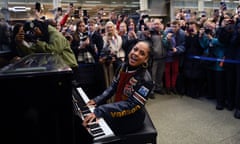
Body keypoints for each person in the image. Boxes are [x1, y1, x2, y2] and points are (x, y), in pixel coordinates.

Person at [82, 40, 154, 134]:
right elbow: (113, 86)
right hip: (118, 108)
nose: (136, 54)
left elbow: (132, 104)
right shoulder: (123, 66)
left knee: (98, 128)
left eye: (142, 53)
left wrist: (102, 110)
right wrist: (97, 100)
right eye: (135, 49)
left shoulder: (146, 80)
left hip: (132, 118)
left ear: (146, 59)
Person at [13, 20, 78, 80]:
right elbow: (31, 54)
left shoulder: (54, 34)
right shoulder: (42, 37)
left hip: (68, 67)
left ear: (37, 28)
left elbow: (53, 51)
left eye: (33, 31)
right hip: (57, 69)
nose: (33, 34)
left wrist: (37, 41)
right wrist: (20, 43)